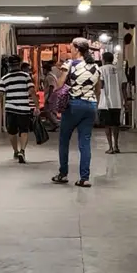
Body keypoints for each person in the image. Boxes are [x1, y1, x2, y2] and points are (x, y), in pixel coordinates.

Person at [52, 38, 101, 187]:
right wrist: (94, 104)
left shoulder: (70, 64)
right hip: (90, 105)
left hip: (74, 105)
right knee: (85, 143)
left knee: (64, 140)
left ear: (77, 49)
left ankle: (63, 173)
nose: (70, 50)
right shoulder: (95, 67)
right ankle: (84, 178)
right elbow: (98, 90)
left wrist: (57, 86)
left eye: (71, 48)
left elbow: (60, 84)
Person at [0, 55, 38, 164]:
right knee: (24, 131)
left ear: (9, 65)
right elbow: (32, 91)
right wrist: (36, 106)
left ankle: (16, 151)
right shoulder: (26, 76)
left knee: (11, 131)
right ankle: (22, 150)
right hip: (24, 108)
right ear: (19, 64)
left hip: (10, 109)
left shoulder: (4, 78)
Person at [98, 51, 127, 154]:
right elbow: (124, 87)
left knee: (107, 125)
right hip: (117, 101)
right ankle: (116, 146)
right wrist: (126, 100)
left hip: (105, 102)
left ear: (104, 59)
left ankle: (110, 147)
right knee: (115, 125)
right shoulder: (120, 70)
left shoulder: (101, 70)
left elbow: (100, 85)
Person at [41, 62, 61, 131]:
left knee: (47, 110)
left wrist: (49, 97)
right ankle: (53, 125)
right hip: (53, 95)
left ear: (46, 69)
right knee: (52, 110)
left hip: (51, 95)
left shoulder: (49, 76)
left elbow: (51, 87)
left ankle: (55, 123)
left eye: (43, 69)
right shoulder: (52, 75)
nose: (43, 71)